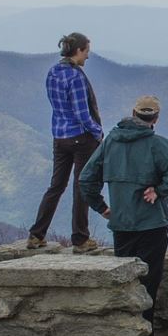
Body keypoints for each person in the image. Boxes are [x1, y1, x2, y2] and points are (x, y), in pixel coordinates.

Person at [77, 94, 168, 327]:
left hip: (122, 225)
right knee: (148, 282)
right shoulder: (157, 145)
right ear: (155, 119)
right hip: (152, 224)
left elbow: (86, 179)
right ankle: (146, 334)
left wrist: (102, 207)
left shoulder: (110, 142)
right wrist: (159, 190)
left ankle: (126, 332)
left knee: (125, 281)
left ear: (133, 113)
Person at [27, 32, 104, 250]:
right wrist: (97, 131)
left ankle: (36, 234)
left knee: (56, 186)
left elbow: (57, 105)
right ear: (78, 50)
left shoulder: (52, 73)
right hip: (80, 137)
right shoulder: (76, 77)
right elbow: (82, 113)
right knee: (82, 187)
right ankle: (80, 239)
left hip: (59, 136)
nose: (87, 57)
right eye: (86, 51)